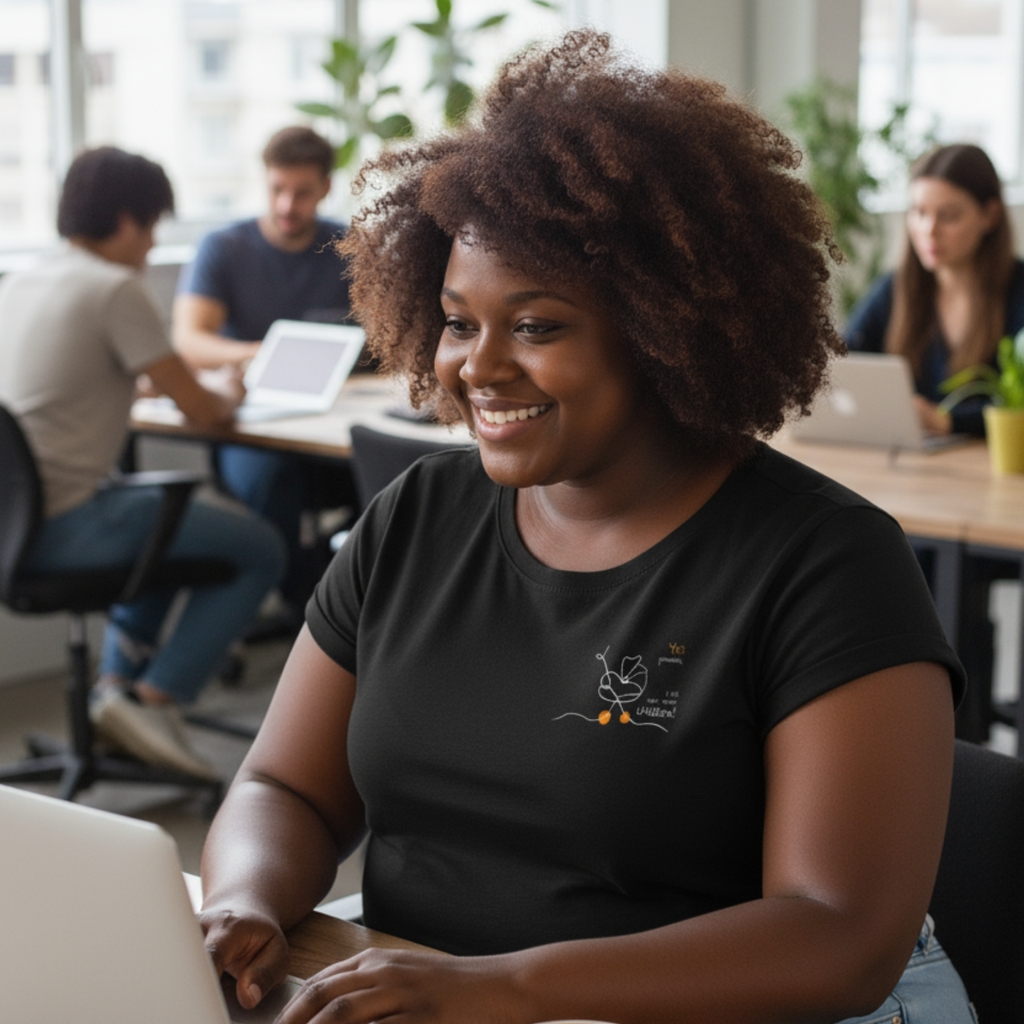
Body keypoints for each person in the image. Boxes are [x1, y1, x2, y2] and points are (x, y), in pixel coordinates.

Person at [198, 31, 974, 1023]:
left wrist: (506, 986)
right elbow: (285, 787)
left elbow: (839, 933)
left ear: (668, 328)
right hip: (435, 989)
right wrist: (244, 900)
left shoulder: (824, 563)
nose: (476, 366)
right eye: (456, 319)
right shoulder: (417, 516)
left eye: (536, 325)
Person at [0, 146, 286, 782]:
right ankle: (157, 701)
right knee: (262, 547)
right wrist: (235, 385)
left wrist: (144, 381)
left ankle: (116, 693)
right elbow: (206, 411)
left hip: (13, 523)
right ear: (129, 221)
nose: (153, 244)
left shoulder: (24, 281)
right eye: (154, 226)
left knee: (157, 525)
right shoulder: (113, 288)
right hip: (67, 524)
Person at [173, 126, 358, 624]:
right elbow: (190, 342)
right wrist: (265, 354)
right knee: (274, 482)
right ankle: (320, 621)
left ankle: (342, 603)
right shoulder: (224, 247)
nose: (286, 205)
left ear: (324, 187)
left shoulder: (348, 247)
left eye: (301, 192)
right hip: (252, 433)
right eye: (276, 189)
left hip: (330, 422)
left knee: (389, 474)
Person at [845, 142, 1024, 438]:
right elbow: (841, 361)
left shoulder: (1017, 290)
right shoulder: (896, 287)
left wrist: (948, 422)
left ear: (990, 215)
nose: (929, 229)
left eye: (949, 216)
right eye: (919, 212)